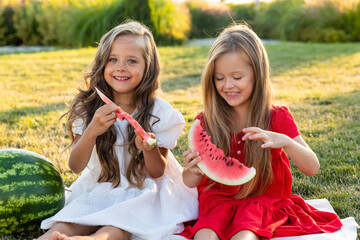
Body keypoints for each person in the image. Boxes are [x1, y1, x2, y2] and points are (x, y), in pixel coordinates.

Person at [35, 20, 198, 240]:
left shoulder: (159, 112)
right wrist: (92, 131)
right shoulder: (90, 107)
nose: (121, 67)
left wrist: (149, 149)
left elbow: (157, 172)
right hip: (102, 185)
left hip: (144, 190)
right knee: (72, 221)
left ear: (148, 68)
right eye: (113, 59)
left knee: (120, 224)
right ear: (102, 64)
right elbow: (75, 166)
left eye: (132, 61)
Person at [179, 23, 343, 240]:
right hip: (218, 202)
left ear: (258, 74)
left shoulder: (276, 117)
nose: (228, 85)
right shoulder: (206, 122)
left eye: (237, 77)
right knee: (204, 236)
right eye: (219, 78)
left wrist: (286, 142)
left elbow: (312, 167)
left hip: (263, 202)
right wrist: (192, 170)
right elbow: (189, 181)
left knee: (245, 236)